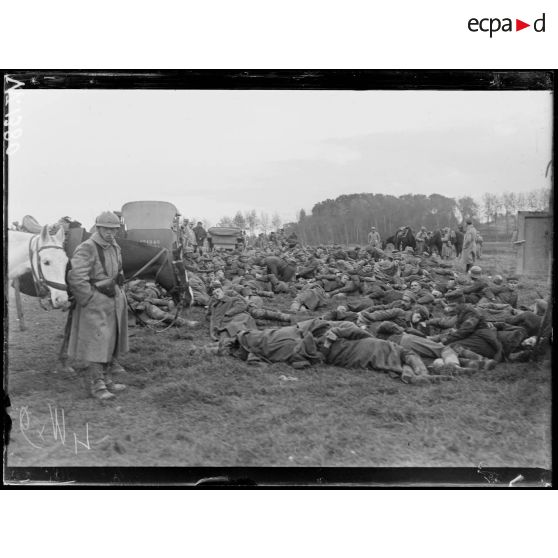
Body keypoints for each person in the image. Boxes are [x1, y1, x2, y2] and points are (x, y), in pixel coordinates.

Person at [66, 211, 129, 401]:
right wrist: (90, 299)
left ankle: (107, 379)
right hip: (96, 302)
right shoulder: (87, 247)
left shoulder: (114, 246)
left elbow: (118, 270)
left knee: (111, 340)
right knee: (97, 343)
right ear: (98, 228)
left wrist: (121, 289)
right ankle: (97, 384)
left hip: (114, 299)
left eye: (114, 230)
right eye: (106, 229)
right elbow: (76, 277)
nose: (111, 233)